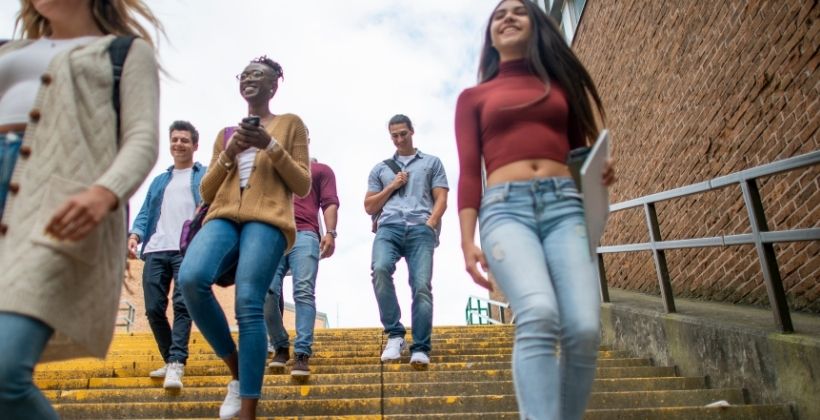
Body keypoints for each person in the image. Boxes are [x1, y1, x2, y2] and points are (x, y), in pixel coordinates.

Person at [454, 1, 615, 419]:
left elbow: (579, 153)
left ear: (537, 26)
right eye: (499, 14)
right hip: (506, 212)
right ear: (490, 38)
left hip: (566, 208)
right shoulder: (473, 98)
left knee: (583, 328)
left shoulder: (560, 87)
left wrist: (597, 170)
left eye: (518, 12)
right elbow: (469, 172)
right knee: (539, 313)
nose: (508, 17)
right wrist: (467, 240)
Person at [0, 0, 161, 418]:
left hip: (56, 213)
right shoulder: (8, 50)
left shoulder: (125, 52)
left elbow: (142, 139)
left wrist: (104, 193)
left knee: (5, 369)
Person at [177, 56, 310, 420]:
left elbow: (302, 183)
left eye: (258, 75)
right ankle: (238, 370)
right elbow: (206, 191)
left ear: (273, 84)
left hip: (267, 219)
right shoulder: (225, 135)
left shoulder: (291, 124)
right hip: (222, 216)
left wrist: (270, 145)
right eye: (245, 74)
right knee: (190, 278)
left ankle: (248, 409)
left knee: (249, 301)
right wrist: (230, 153)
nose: (249, 79)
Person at [364, 114, 448, 370]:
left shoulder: (431, 163)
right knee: (379, 269)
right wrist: (392, 186)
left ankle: (420, 347)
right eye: (395, 136)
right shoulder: (380, 168)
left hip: (420, 228)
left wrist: (431, 223)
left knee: (421, 285)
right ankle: (395, 335)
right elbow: (369, 206)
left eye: (403, 134)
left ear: (412, 132)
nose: (399, 139)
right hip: (389, 227)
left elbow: (441, 198)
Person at [128, 120, 205, 390]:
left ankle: (177, 362)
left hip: (187, 248)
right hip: (156, 248)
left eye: (184, 140)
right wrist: (135, 235)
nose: (178, 144)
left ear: (195, 145)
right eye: (175, 139)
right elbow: (145, 212)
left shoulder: (204, 176)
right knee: (152, 308)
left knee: (183, 305)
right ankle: (170, 358)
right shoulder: (160, 181)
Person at [264, 155, 339, 378]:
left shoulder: (321, 169)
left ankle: (302, 353)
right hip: (273, 234)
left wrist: (330, 232)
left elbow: (329, 203)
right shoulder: (272, 169)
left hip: (305, 234)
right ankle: (280, 345)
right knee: (266, 291)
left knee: (304, 291)